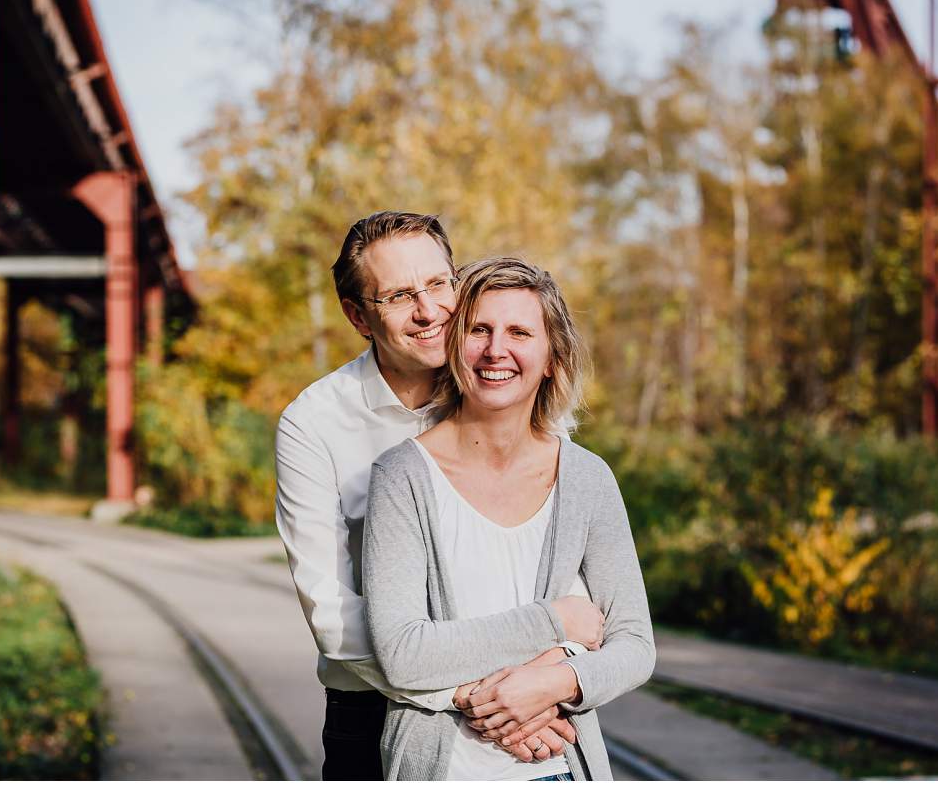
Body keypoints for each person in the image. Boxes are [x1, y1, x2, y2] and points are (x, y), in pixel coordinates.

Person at [275, 214, 610, 780]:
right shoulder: (313, 424)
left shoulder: (502, 383)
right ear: (359, 316)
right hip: (379, 708)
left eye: (437, 285)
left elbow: (561, 558)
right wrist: (477, 693)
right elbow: (333, 614)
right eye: (400, 296)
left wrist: (545, 680)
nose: (428, 311)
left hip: (528, 694)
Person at [362, 257, 656, 780]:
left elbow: (635, 646)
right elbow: (403, 653)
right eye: (480, 329)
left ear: (550, 358)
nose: (497, 349)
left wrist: (554, 683)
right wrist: (556, 621)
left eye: (520, 331)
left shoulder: (587, 479)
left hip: (558, 770)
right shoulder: (401, 477)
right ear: (456, 348)